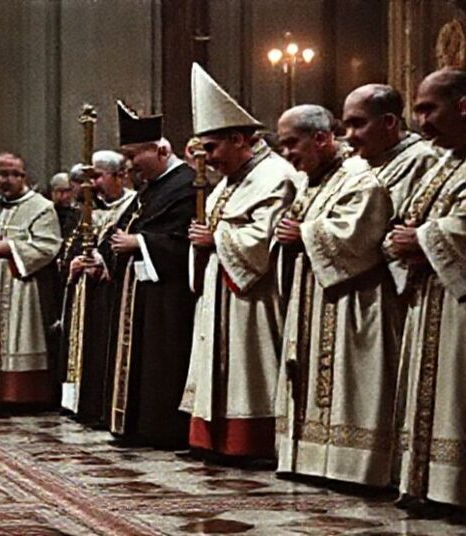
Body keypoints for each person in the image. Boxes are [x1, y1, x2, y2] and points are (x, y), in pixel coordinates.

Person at [272, 104, 400, 487]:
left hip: (354, 303)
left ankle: (350, 467)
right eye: (282, 146)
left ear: (322, 138)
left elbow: (359, 236)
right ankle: (310, 460)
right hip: (313, 295)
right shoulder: (314, 182)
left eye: (292, 144)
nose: (287, 154)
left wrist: (304, 234)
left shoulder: (361, 179)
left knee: (351, 384)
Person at [180, 63, 298, 462]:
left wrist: (217, 239)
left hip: (252, 296)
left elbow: (265, 240)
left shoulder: (275, 176)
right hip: (220, 287)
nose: (206, 160)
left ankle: (252, 441)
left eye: (211, 149)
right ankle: (214, 439)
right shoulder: (230, 182)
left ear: (237, 138)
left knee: (250, 366)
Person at [386, 68, 466, 511]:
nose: (420, 121)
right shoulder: (446, 161)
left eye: (427, 108)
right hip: (430, 293)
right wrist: (406, 239)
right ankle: (428, 484)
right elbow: (408, 218)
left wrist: (424, 238)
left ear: (462, 106)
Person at [106, 102, 197, 449]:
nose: (129, 165)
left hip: (169, 297)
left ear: (161, 150)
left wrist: (141, 242)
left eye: (133, 155)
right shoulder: (154, 186)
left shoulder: (185, 184)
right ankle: (137, 425)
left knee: (163, 359)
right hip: (142, 289)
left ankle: (163, 429)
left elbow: (181, 240)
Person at [0, 152, 62, 406]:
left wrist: (11, 249)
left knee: (22, 337)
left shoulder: (42, 208)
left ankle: (22, 394)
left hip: (22, 286)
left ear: (23, 176)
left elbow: (48, 245)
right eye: (0, 174)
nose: (5, 180)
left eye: (11, 174)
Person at [343, 84, 439, 296]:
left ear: (389, 122)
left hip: (395, 288)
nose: (349, 135)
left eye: (358, 124)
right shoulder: (352, 164)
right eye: (346, 125)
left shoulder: (424, 160)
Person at [62, 150, 137, 423]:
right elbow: (69, 248)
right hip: (86, 290)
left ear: (120, 176)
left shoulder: (133, 205)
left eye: (98, 176)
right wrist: (73, 264)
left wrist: (103, 263)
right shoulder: (88, 209)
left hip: (113, 289)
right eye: (89, 177)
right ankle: (84, 403)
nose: (91, 184)